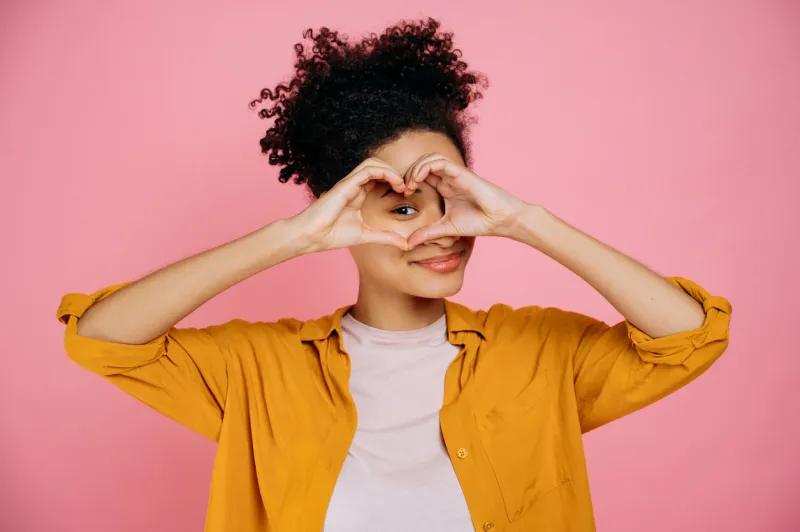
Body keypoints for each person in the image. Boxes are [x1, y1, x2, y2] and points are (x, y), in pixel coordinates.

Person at [57, 18, 732, 532]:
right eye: (402, 207)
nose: (438, 230)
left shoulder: (541, 354)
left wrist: (524, 219)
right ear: (341, 209)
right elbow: (103, 338)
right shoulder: (260, 369)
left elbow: (689, 336)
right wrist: (291, 239)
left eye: (454, 201)